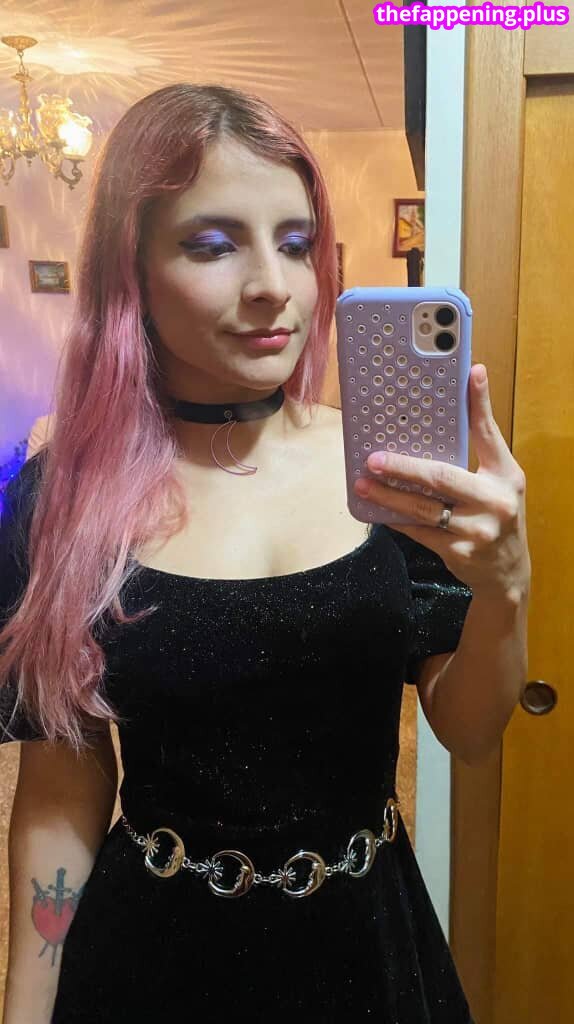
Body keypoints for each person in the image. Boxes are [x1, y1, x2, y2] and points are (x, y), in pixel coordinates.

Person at [1, 83, 530, 1022]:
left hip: (365, 936)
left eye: (295, 243)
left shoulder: (390, 475)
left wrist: (505, 589)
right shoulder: (64, 501)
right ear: (132, 271)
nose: (272, 286)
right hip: (151, 954)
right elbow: (59, 789)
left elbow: (472, 730)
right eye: (212, 244)